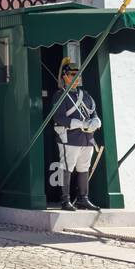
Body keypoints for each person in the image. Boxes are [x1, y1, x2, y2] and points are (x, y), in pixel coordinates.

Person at [53, 57, 102, 211]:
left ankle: (83, 198)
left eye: (77, 75)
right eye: (72, 75)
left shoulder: (85, 95)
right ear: (65, 77)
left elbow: (94, 113)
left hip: (87, 139)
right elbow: (59, 118)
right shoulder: (60, 95)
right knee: (66, 168)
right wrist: (81, 124)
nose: (75, 78)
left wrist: (95, 122)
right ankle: (65, 200)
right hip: (69, 138)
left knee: (83, 168)